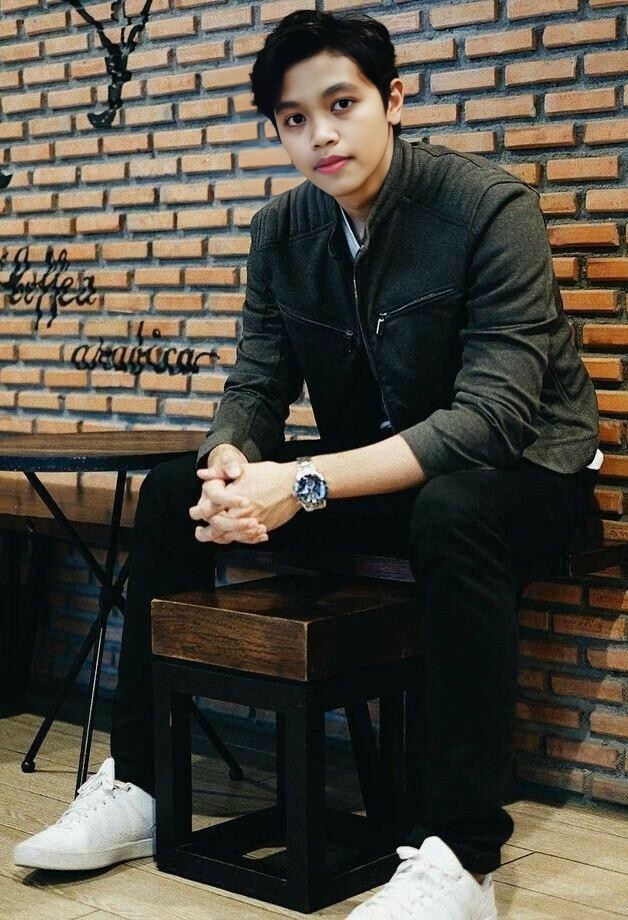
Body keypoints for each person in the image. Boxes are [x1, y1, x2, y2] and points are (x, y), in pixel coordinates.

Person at [14, 10, 601, 919]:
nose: (321, 134)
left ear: (392, 99)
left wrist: (304, 483)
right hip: (384, 474)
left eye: (342, 104)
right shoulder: (283, 230)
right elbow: (256, 382)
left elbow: (490, 420)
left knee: (454, 508)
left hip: (529, 471)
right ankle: (141, 783)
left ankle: (461, 858)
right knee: (172, 493)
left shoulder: (487, 207)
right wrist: (232, 467)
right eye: (294, 118)